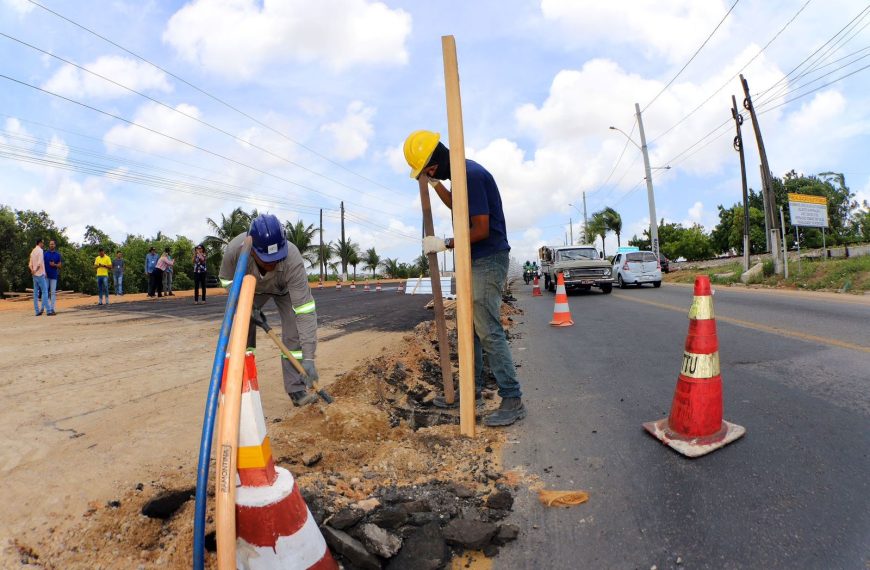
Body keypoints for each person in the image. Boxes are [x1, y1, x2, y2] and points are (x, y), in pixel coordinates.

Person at [404, 130, 526, 427]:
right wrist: (434, 186)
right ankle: (471, 393)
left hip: (488, 258)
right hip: (474, 259)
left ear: (436, 161)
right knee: (469, 329)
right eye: (427, 174)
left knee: (487, 329)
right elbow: (458, 208)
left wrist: (445, 243)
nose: (431, 175)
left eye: (430, 171)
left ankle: (512, 398)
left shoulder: (471, 174)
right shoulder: (460, 176)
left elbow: (481, 229)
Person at [219, 214, 320, 407]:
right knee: (241, 328)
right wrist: (245, 304)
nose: (272, 263)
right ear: (253, 249)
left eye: (276, 258)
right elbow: (226, 280)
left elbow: (305, 310)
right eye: (267, 259)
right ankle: (242, 382)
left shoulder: (292, 257)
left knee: (294, 332)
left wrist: (308, 357)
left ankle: (296, 388)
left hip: (284, 290)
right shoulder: (235, 249)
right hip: (252, 289)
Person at [28, 238, 48, 316]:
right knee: (45, 292)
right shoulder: (40, 251)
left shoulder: (32, 251)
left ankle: (37, 311)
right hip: (39, 274)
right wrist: (35, 270)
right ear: (40, 243)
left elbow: (30, 264)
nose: (43, 244)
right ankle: (48, 309)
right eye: (42, 243)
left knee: (35, 294)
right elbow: (39, 264)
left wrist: (32, 270)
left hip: (34, 275)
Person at [44, 239, 62, 316]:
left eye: (53, 244)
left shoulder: (58, 255)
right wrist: (44, 273)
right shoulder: (45, 254)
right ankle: (48, 308)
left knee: (53, 293)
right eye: (50, 244)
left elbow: (60, 266)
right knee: (46, 292)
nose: (51, 245)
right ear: (49, 245)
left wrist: (54, 265)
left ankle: (52, 308)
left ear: (55, 245)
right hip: (46, 276)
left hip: (54, 276)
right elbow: (42, 264)